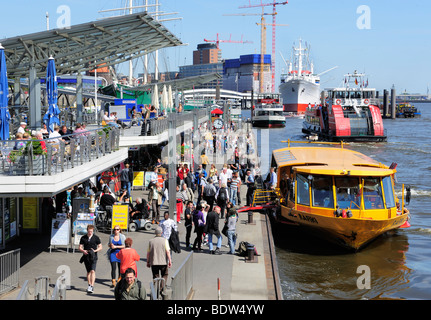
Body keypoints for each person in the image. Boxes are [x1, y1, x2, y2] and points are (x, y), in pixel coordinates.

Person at [78, 224, 102, 294]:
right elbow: (80, 247)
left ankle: (92, 285)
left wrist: (95, 251)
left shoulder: (96, 238)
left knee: (93, 271)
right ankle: (89, 285)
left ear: (93, 230)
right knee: (88, 271)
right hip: (86, 256)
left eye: (91, 231)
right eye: (89, 231)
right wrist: (83, 251)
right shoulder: (83, 238)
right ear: (87, 230)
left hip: (94, 256)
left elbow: (100, 247)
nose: (90, 232)